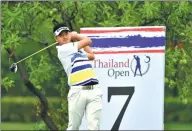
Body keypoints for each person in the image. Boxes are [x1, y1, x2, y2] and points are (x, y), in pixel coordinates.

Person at [53, 23, 102, 130]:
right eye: (61, 35)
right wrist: (76, 36)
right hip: (77, 92)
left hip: (94, 90)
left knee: (94, 127)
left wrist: (76, 38)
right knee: (73, 128)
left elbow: (92, 55)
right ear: (56, 38)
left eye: (66, 33)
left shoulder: (78, 51)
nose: (65, 37)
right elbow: (88, 40)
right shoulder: (63, 50)